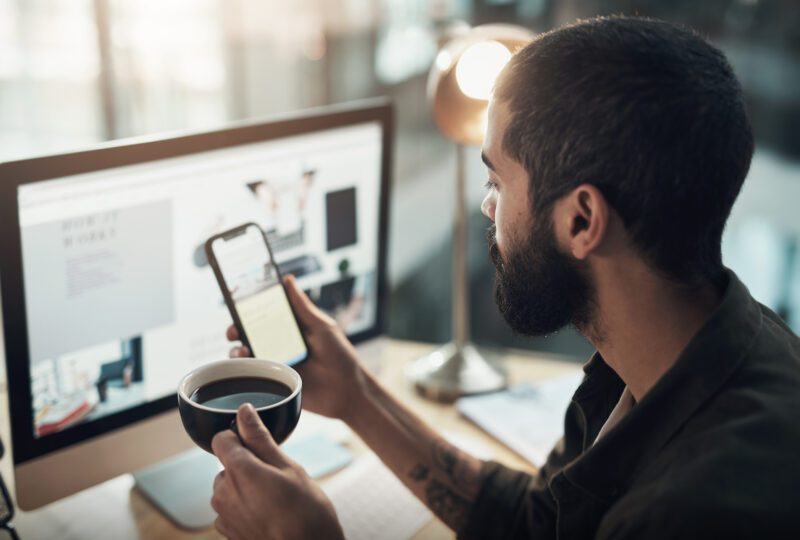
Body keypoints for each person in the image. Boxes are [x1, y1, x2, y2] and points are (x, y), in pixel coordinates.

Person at [209, 16, 800, 540]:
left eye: (497, 183)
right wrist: (357, 395)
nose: (488, 209)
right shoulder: (670, 361)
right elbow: (535, 525)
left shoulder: (699, 510)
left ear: (582, 219)